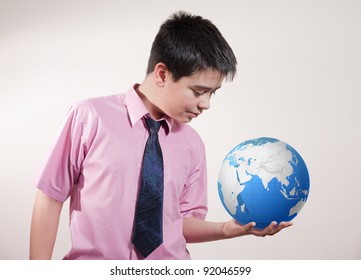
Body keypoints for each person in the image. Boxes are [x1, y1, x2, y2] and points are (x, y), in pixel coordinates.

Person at [29, 11, 292, 260]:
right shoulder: (90, 117)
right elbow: (51, 196)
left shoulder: (192, 144)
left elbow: (181, 223)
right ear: (162, 74)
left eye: (213, 93)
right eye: (199, 91)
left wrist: (227, 229)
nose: (206, 104)